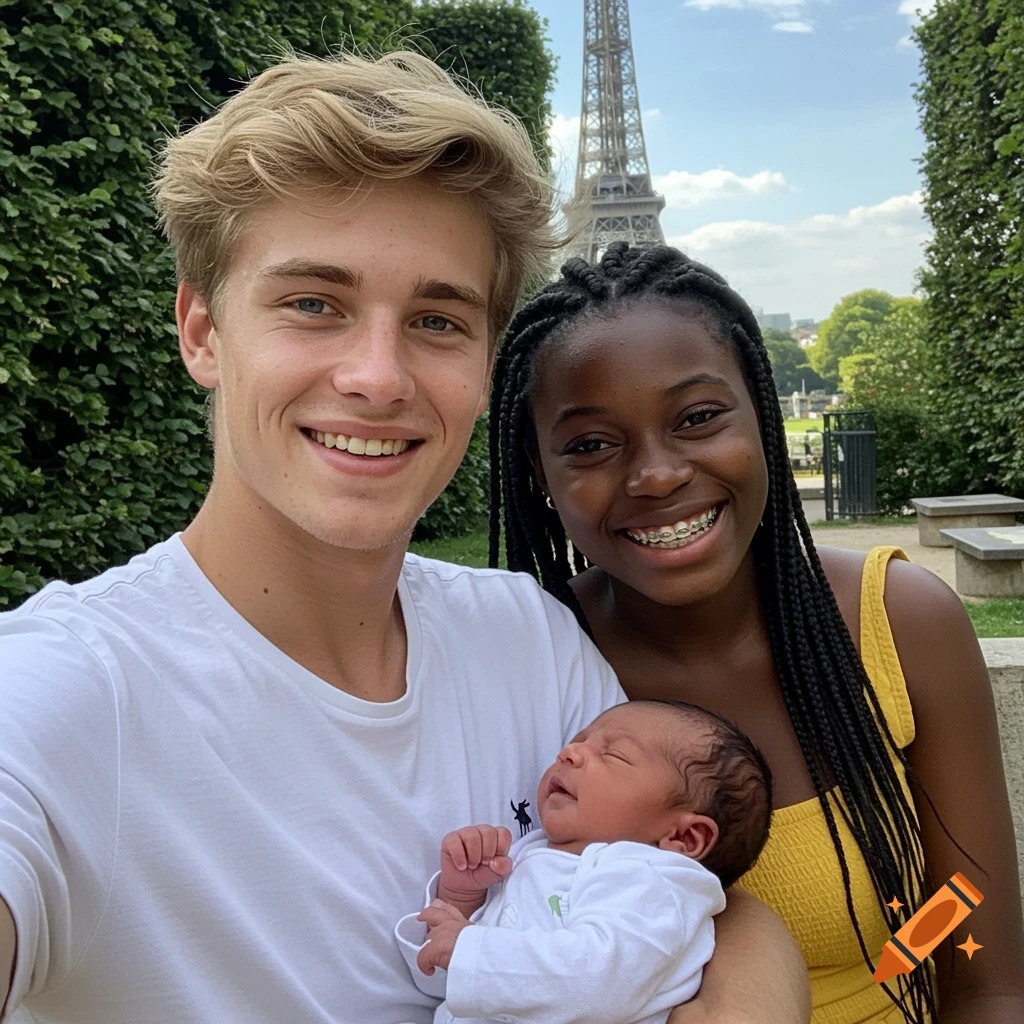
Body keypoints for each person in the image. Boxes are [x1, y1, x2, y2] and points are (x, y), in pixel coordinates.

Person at [0, 54, 809, 1024]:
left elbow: (703, 907)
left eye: (435, 317)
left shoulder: (530, 637)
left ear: (482, 367)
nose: (378, 376)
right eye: (313, 303)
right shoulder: (60, 698)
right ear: (202, 329)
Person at [489, 241, 1024, 1024]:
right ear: (539, 473)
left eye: (699, 417)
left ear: (762, 415)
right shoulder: (528, 660)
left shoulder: (901, 624)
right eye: (592, 444)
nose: (657, 474)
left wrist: (894, 963)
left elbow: (985, 971)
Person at [394, 700, 771, 1024]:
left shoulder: (654, 884)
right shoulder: (531, 855)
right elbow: (450, 984)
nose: (569, 754)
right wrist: (461, 899)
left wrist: (468, 948)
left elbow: (599, 980)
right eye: (577, 741)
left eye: (613, 754)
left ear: (684, 838)